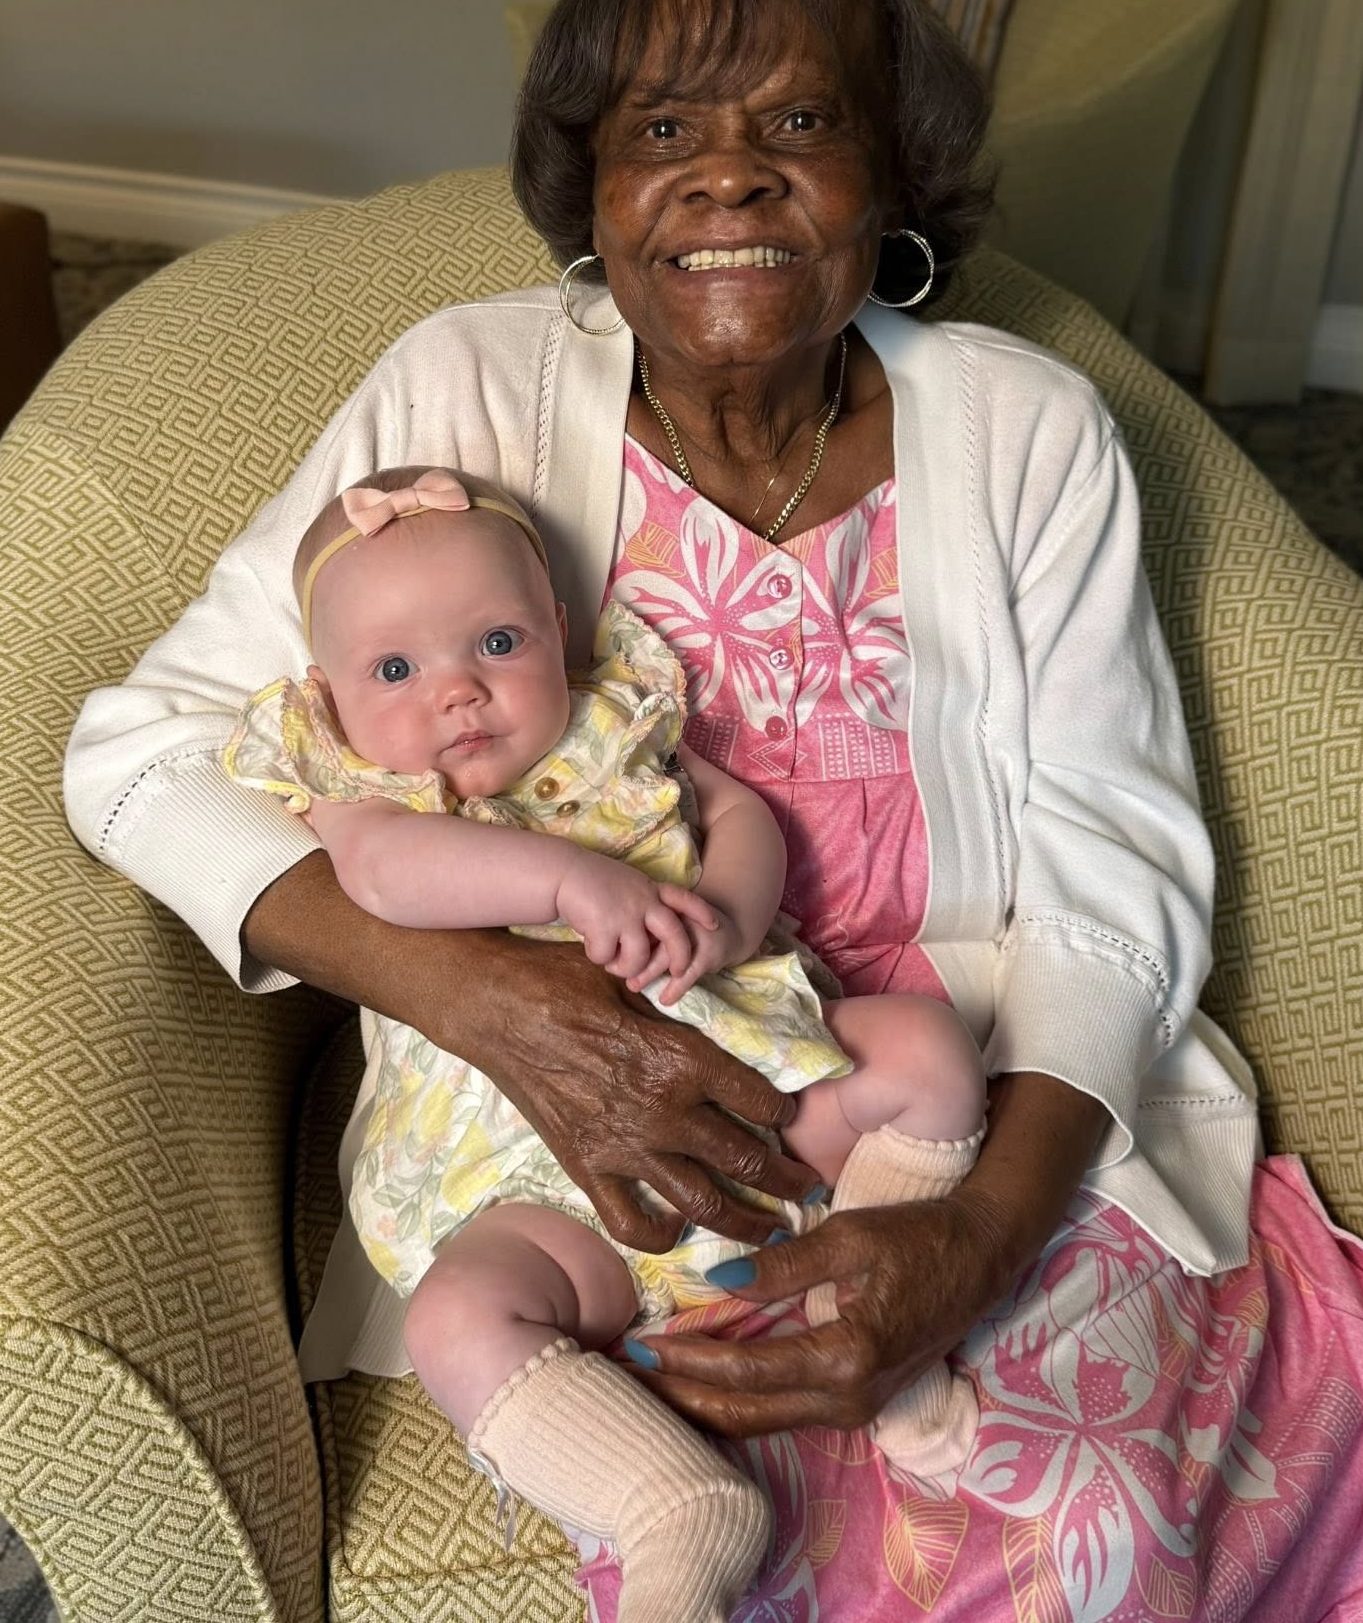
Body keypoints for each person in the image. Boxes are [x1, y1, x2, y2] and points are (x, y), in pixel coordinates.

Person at [64, 0, 1363, 1620]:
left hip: (942, 1092)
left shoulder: (1025, 429)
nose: (727, 175)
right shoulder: (462, 394)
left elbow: (1121, 861)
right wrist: (492, 1000)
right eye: (662, 131)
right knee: (732, 1513)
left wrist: (974, 1237)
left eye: (800, 119)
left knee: (1085, 1527)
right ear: (591, 192)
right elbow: (134, 758)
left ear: (893, 179)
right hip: (557, 1134)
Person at [222, 460, 986, 1618]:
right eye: (395, 669)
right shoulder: (365, 783)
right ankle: (673, 1504)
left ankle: (864, 1305)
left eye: (497, 642)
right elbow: (379, 872)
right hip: (540, 1190)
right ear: (331, 694)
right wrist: (566, 879)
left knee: (927, 1052)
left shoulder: (618, 713)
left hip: (760, 1098)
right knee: (458, 1318)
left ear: (559, 627)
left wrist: (728, 910)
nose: (458, 691)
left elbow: (738, 811)